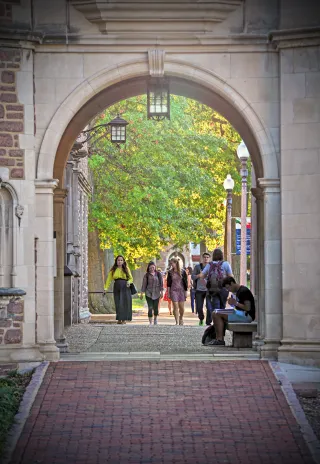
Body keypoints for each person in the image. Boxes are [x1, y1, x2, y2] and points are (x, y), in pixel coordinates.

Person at [210, 276, 256, 346]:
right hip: (241, 313)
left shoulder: (244, 291)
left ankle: (220, 339)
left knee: (216, 314)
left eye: (228, 287)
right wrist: (233, 304)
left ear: (232, 283)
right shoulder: (237, 291)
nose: (228, 290)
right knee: (215, 312)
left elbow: (248, 308)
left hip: (246, 316)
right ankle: (218, 338)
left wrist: (235, 303)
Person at [196, 248, 233, 325]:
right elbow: (231, 277)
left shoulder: (210, 265)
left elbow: (201, 276)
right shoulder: (226, 264)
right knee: (222, 308)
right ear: (221, 255)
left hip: (212, 290)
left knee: (216, 308)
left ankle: (216, 325)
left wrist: (206, 285)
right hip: (223, 290)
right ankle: (221, 325)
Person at [104, 255, 133, 324]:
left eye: (121, 260)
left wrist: (128, 282)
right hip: (117, 286)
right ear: (116, 261)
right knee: (118, 303)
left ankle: (124, 319)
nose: (119, 261)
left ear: (123, 261)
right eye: (118, 260)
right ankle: (119, 319)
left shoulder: (126, 269)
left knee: (124, 303)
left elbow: (131, 278)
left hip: (125, 287)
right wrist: (105, 288)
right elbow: (108, 279)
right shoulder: (113, 270)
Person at [140, 262, 163, 326]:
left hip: (156, 293)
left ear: (155, 267)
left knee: (155, 308)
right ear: (148, 268)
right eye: (150, 267)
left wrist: (161, 292)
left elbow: (161, 284)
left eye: (153, 267)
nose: (152, 269)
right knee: (150, 307)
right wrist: (142, 293)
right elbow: (144, 285)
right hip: (148, 293)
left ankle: (155, 319)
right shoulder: (146, 275)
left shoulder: (158, 274)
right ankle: (150, 322)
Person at [167, 258, 188, 325]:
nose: (171, 265)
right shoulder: (170, 272)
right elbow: (168, 284)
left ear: (176, 263)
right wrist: (168, 292)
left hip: (181, 290)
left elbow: (185, 282)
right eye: (170, 263)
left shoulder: (183, 271)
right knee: (175, 306)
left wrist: (185, 292)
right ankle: (176, 321)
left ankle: (181, 318)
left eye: (172, 263)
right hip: (173, 290)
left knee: (181, 308)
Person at [191, 252, 211, 326]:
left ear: (209, 258)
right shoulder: (197, 267)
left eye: (207, 257)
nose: (206, 259)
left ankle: (208, 322)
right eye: (204, 257)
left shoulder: (211, 267)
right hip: (199, 289)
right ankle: (201, 318)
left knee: (209, 307)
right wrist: (199, 275)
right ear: (202, 258)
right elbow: (192, 277)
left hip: (208, 290)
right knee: (199, 307)